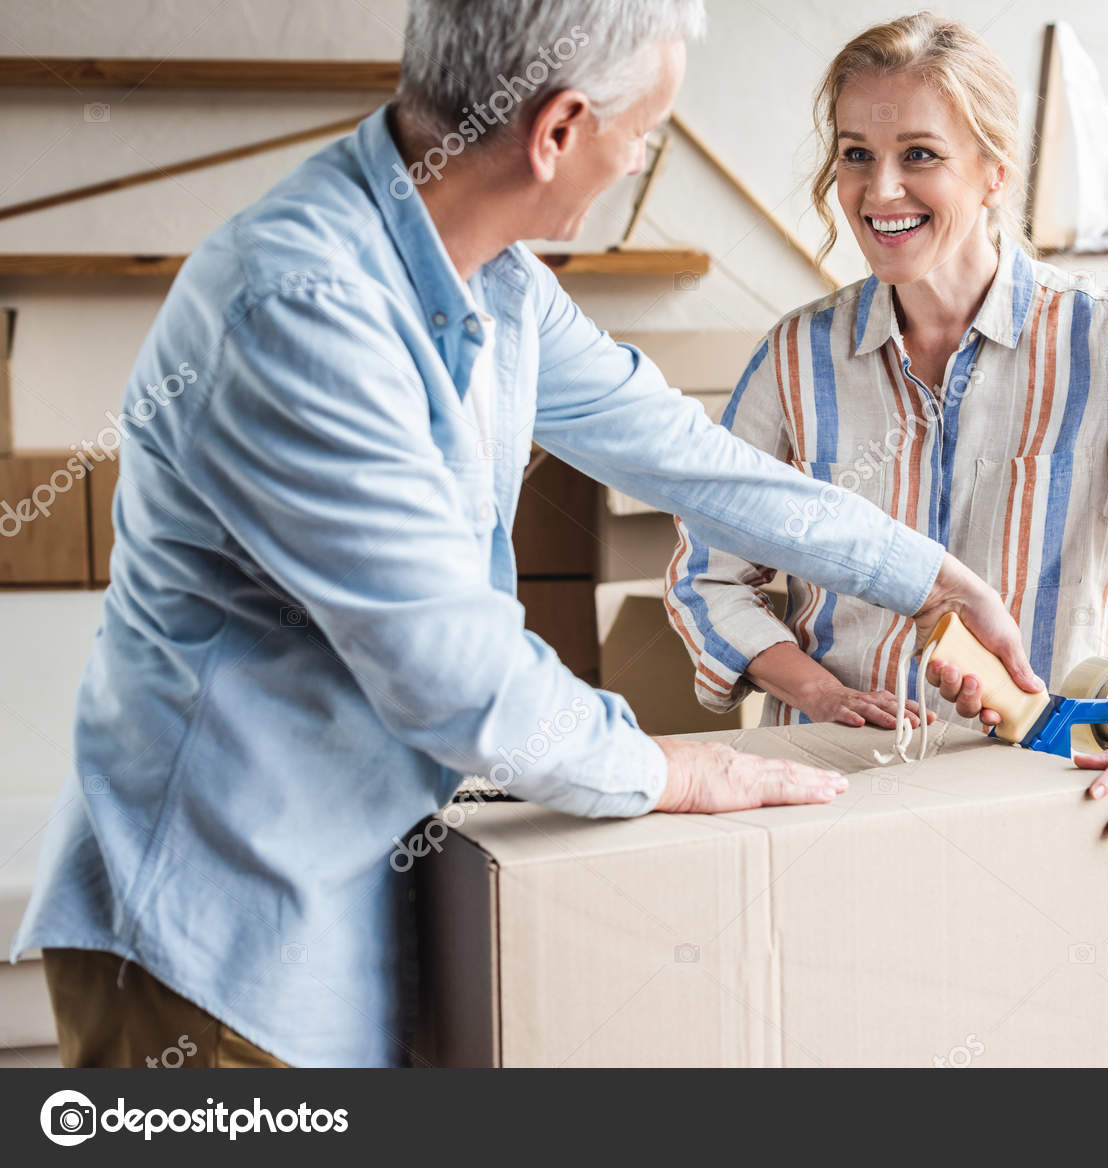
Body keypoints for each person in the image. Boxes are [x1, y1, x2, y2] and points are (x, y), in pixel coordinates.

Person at [10, 0, 1040, 1068]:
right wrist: (675, 771)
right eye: (643, 133)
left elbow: (686, 454)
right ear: (556, 131)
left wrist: (930, 580)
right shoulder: (297, 307)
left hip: (362, 902)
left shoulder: (495, 285)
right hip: (214, 949)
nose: (641, 158)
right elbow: (452, 669)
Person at [669, 14, 1108, 855]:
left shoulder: (1104, 343)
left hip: (1039, 799)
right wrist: (816, 691)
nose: (880, 191)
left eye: (920, 155)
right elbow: (708, 575)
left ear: (994, 172)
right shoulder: (794, 359)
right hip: (829, 793)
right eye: (856, 155)